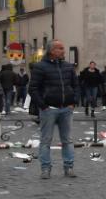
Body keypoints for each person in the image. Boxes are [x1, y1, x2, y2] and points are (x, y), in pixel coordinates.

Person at [29, 40, 78, 178]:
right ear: (52, 51)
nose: (63, 50)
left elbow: (76, 85)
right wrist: (43, 106)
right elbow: (33, 89)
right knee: (46, 140)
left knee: (67, 140)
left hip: (66, 108)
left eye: (63, 48)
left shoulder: (68, 67)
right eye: (60, 48)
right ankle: (45, 168)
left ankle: (69, 167)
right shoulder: (40, 67)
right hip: (48, 109)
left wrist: (73, 102)